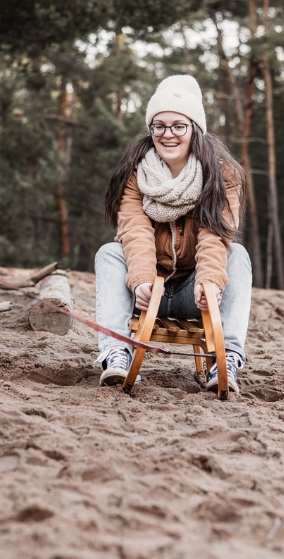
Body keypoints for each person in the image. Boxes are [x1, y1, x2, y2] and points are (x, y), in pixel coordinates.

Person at [95, 74, 252, 392]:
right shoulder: (135, 173)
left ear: (194, 128)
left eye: (178, 126)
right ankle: (116, 354)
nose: (168, 134)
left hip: (194, 294)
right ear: (151, 128)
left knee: (238, 255)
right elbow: (134, 229)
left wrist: (209, 282)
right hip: (144, 292)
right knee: (108, 252)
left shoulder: (222, 175)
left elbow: (215, 233)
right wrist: (140, 278)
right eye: (159, 125)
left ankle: (226, 358)